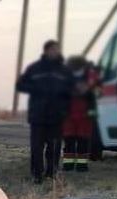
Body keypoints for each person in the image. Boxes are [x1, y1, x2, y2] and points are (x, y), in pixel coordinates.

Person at [17, 40, 74, 183]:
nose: (55, 52)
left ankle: (52, 173)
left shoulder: (65, 71)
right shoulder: (34, 68)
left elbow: (72, 91)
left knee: (54, 148)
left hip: (57, 116)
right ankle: (37, 175)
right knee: (37, 147)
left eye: (57, 50)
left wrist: (66, 109)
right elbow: (20, 85)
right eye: (52, 50)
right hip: (38, 115)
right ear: (46, 51)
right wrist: (34, 88)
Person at [62, 56, 99, 172]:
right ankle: (71, 165)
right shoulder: (66, 76)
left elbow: (97, 92)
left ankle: (79, 166)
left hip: (84, 113)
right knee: (70, 140)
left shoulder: (91, 76)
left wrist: (88, 92)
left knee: (80, 140)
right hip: (70, 113)